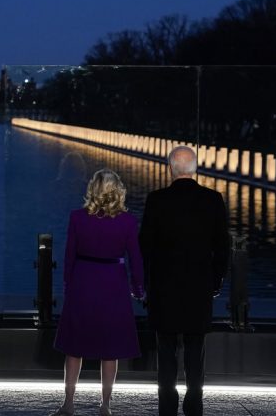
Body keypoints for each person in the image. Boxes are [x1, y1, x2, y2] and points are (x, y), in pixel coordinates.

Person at [139, 146, 230, 416]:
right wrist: (215, 281)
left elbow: (145, 246)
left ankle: (167, 406)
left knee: (165, 353)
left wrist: (146, 284)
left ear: (170, 169)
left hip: (164, 289)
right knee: (195, 350)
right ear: (194, 169)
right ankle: (194, 405)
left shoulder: (156, 200)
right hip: (198, 288)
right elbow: (222, 247)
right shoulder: (213, 200)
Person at [52, 169, 144, 416]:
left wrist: (68, 286)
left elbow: (69, 256)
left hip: (83, 281)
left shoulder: (77, 218)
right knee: (110, 348)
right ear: (118, 190)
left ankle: (69, 403)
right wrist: (138, 288)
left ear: (93, 188)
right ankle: (105, 405)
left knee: (74, 347)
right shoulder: (128, 221)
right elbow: (136, 259)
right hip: (113, 285)